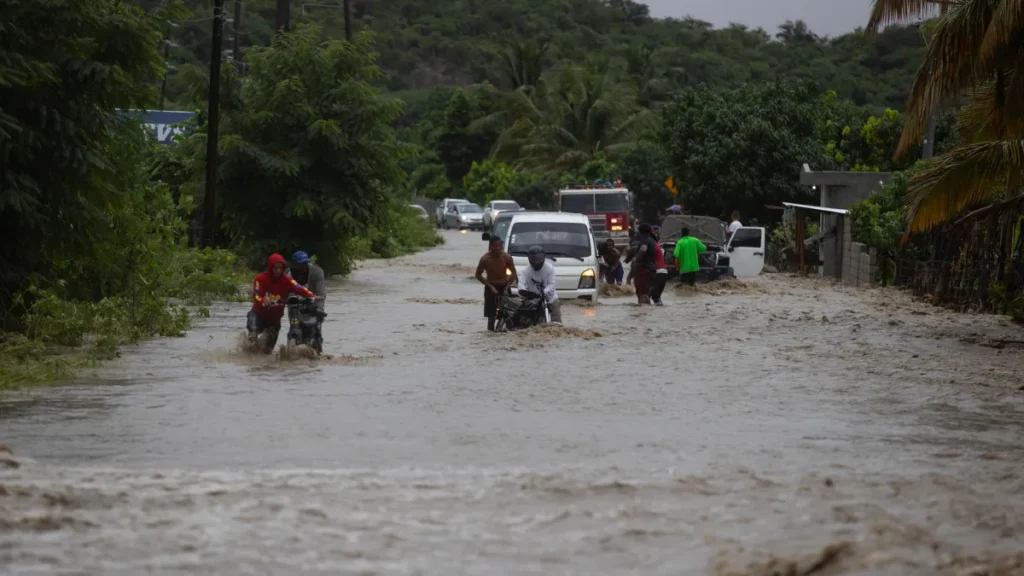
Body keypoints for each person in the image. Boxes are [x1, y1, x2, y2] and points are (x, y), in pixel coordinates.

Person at [248, 253, 318, 353]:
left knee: (267, 351)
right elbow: (255, 295)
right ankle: (247, 356)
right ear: (270, 267)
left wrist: (313, 296)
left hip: (274, 319)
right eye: (275, 268)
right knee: (252, 339)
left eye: (280, 268)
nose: (278, 270)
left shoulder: (288, 280)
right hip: (258, 315)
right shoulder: (260, 279)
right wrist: (263, 300)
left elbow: (300, 288)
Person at [476, 237, 518, 331]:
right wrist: (490, 287)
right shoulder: (485, 259)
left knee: (509, 315)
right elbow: (478, 275)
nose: (497, 248)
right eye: (495, 246)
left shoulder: (507, 257)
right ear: (490, 246)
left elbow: (513, 273)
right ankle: (491, 335)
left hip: (504, 286)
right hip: (491, 287)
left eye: (499, 246)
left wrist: (507, 286)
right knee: (491, 317)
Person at [517, 246, 561, 324]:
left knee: (557, 323)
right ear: (529, 259)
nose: (536, 262)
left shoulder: (549, 268)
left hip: (550, 298)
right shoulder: (524, 272)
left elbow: (551, 284)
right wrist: (531, 295)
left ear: (543, 258)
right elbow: (521, 288)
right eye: (534, 260)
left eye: (539, 259)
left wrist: (543, 293)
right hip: (532, 299)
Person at [627, 223, 657, 305]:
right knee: (645, 293)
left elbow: (643, 250)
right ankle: (647, 312)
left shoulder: (645, 241)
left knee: (641, 293)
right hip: (651, 269)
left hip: (643, 269)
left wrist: (636, 260)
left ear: (640, 232)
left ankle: (642, 313)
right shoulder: (652, 240)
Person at [650, 227, 669, 306]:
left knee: (647, 294)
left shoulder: (651, 246)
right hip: (664, 272)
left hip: (656, 271)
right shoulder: (659, 247)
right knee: (657, 297)